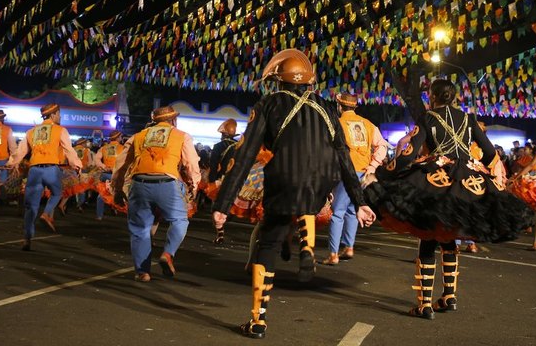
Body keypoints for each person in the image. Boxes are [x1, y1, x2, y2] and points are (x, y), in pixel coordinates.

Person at [211, 49, 375, 339]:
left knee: (268, 242)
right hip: (321, 185)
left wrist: (223, 203)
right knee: (305, 207)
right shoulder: (326, 107)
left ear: (278, 81)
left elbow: (247, 154)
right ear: (308, 82)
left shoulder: (270, 104)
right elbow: (344, 157)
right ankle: (306, 246)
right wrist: (360, 202)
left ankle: (258, 320)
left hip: (284, 180)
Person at [362, 77, 530, 319]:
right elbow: (491, 153)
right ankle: (449, 296)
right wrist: (477, 168)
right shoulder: (469, 119)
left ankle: (425, 304)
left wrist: (381, 173)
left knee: (428, 235)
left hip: (435, 181)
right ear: (454, 97)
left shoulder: (428, 118)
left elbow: (408, 156)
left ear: (433, 96)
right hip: (466, 182)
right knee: (450, 233)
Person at [111, 105, 201, 282]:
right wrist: (195, 186)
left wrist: (117, 188)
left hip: (139, 184)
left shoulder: (139, 136)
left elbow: (121, 164)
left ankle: (142, 272)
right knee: (179, 220)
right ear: (173, 120)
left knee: (140, 229)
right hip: (166, 183)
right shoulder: (181, 135)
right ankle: (168, 253)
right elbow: (191, 163)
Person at [321, 92, 388, 265]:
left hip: (345, 173)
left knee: (338, 212)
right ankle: (348, 247)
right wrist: (373, 166)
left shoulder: (337, 123)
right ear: (354, 107)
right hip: (363, 174)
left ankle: (333, 254)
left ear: (339, 106)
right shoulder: (368, 124)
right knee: (352, 209)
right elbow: (382, 145)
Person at [6, 103, 82, 251]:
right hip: (51, 169)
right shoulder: (60, 130)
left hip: (34, 171)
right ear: (53, 115)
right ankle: (47, 214)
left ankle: (27, 239)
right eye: (59, 114)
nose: (60, 117)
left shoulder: (31, 132)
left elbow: (20, 152)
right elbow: (69, 150)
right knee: (57, 192)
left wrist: (10, 163)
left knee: (31, 208)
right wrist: (77, 165)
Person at [93, 131, 123, 220]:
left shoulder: (104, 148)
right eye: (121, 137)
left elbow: (96, 159)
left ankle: (99, 215)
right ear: (118, 138)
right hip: (116, 175)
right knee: (118, 193)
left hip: (105, 174)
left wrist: (103, 166)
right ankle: (115, 208)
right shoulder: (122, 148)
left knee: (102, 194)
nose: (121, 138)